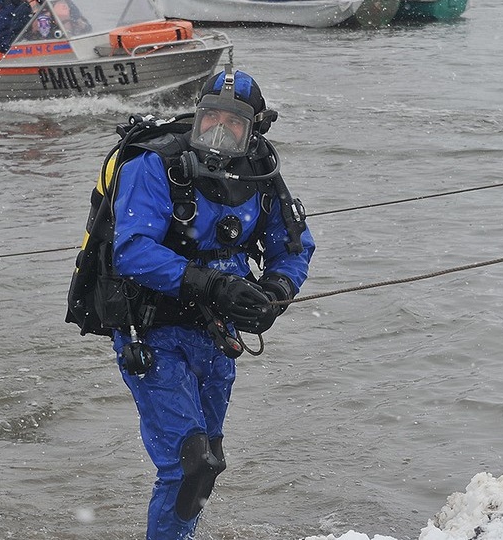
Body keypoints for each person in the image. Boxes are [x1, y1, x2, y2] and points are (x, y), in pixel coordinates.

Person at [81, 68, 315, 539]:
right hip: (151, 329)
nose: (219, 134)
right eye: (211, 120)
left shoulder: (261, 172)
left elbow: (293, 247)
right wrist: (212, 285)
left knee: (210, 460)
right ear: (196, 117)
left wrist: (275, 293)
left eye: (234, 125)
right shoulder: (155, 166)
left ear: (255, 130)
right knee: (190, 465)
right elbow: (133, 251)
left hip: (214, 335)